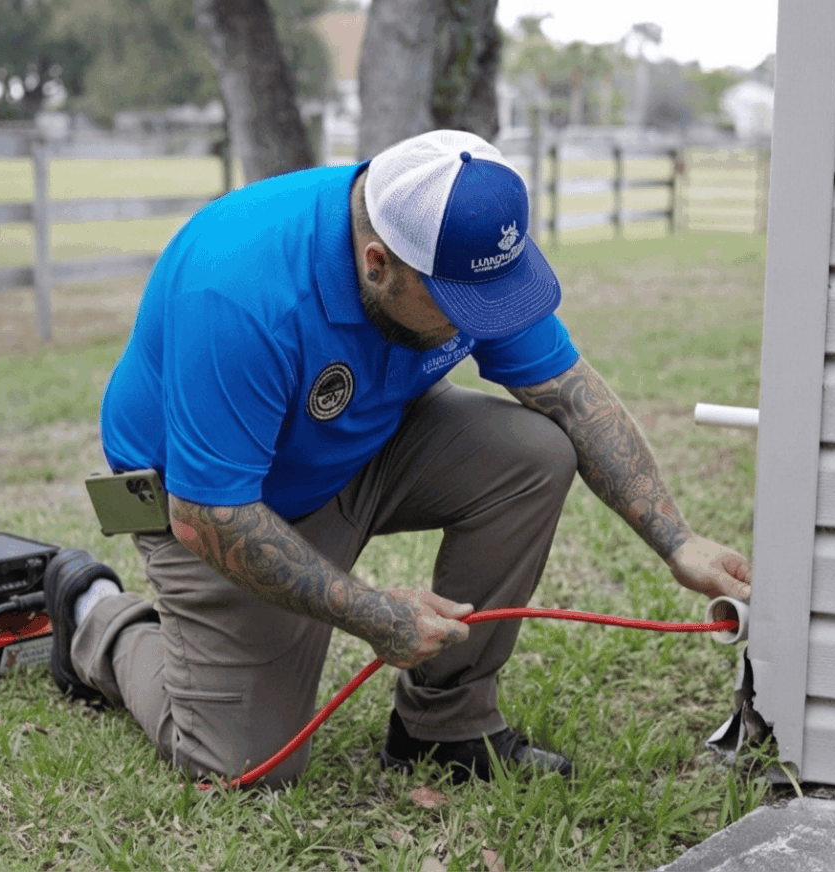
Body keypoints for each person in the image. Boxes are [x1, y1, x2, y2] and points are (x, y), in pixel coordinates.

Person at [45, 129, 752, 789]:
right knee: (246, 763)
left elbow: (569, 396)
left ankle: (444, 730)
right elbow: (209, 513)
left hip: (364, 446)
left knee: (534, 451)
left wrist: (677, 540)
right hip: (217, 506)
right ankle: (97, 617)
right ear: (377, 263)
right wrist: (374, 611)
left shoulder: (466, 255)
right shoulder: (237, 290)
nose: (485, 322)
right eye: (458, 305)